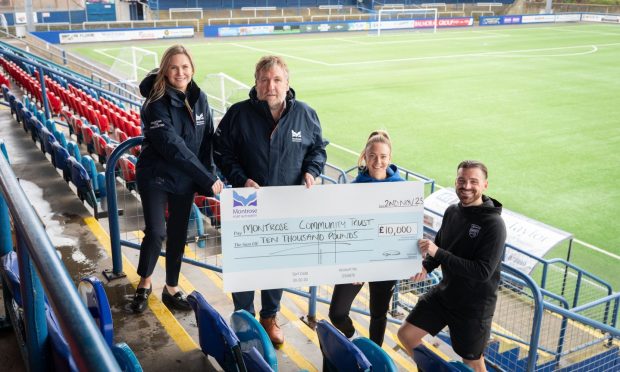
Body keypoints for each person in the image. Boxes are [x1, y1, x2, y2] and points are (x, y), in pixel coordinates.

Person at [213, 55, 327, 346]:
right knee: (244, 263)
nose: (271, 86)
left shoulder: (305, 114)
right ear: (256, 83)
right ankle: (243, 317)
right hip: (245, 204)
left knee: (277, 265)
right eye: (264, 80)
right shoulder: (238, 114)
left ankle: (269, 317)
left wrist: (311, 172)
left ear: (287, 84)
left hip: (285, 207)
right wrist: (241, 179)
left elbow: (317, 150)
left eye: (277, 80)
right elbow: (222, 152)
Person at [129, 45, 224, 314]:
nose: (180, 72)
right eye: (174, 67)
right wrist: (204, 177)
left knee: (179, 233)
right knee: (157, 231)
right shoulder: (154, 103)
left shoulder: (200, 98)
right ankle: (144, 284)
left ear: (192, 69)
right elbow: (172, 146)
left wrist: (211, 174)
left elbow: (206, 140)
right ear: (165, 71)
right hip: (157, 176)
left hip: (185, 177)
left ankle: (171, 288)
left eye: (185, 67)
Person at [397, 160, 506, 372]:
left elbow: (482, 272)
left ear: (485, 185)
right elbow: (442, 245)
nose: (466, 186)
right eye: (461, 180)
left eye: (473, 181)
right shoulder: (452, 211)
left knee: (473, 363)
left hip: (474, 306)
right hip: (446, 295)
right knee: (406, 335)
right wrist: (427, 266)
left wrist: (437, 253)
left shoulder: (494, 224)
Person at [328, 130, 403, 347]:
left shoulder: (403, 190)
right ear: (365, 157)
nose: (378, 161)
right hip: (356, 263)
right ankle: (356, 341)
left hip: (385, 263)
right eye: (373, 156)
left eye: (383, 157)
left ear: (390, 158)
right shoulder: (354, 190)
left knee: (378, 315)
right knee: (337, 313)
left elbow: (404, 232)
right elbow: (345, 231)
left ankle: (375, 356)